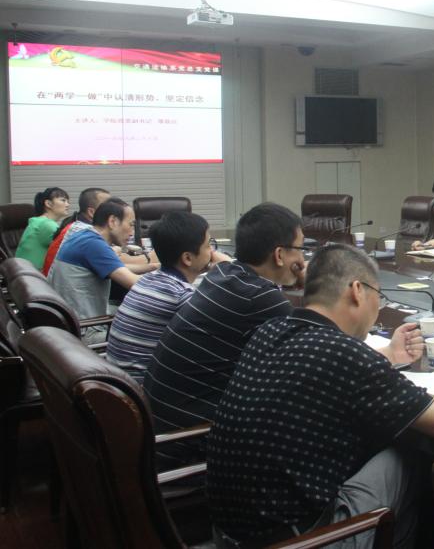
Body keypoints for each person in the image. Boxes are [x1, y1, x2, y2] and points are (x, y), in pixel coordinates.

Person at [208, 245, 434, 548]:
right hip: (301, 540)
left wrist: (390, 355)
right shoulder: (345, 354)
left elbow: (324, 369)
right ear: (358, 291)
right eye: (378, 295)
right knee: (413, 454)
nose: (378, 307)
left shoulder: (270, 330)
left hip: (229, 535)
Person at [145, 202, 307, 463]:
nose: (302, 260)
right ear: (279, 255)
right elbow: (317, 354)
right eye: (300, 249)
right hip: (187, 447)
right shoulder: (261, 298)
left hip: (157, 430)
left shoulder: (223, 273)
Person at [105, 212, 231, 382]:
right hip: (145, 388)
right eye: (209, 245)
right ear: (187, 258)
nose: (213, 252)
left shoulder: (149, 280)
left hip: (121, 382)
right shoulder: (180, 295)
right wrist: (228, 268)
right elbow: (221, 333)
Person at [48, 198, 158, 343]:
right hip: (85, 332)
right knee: (157, 331)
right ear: (112, 221)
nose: (132, 232)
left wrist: (153, 267)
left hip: (70, 324)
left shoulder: (85, 235)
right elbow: (136, 284)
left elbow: (116, 267)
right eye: (131, 225)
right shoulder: (93, 244)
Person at [42, 187, 110, 275]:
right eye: (108, 207)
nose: (113, 209)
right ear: (91, 212)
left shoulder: (73, 223)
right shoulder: (84, 233)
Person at [15, 187, 71, 269]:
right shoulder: (46, 225)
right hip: (35, 274)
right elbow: (71, 248)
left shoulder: (39, 222)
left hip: (24, 273)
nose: (68, 204)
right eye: (63, 200)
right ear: (48, 204)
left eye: (68, 202)